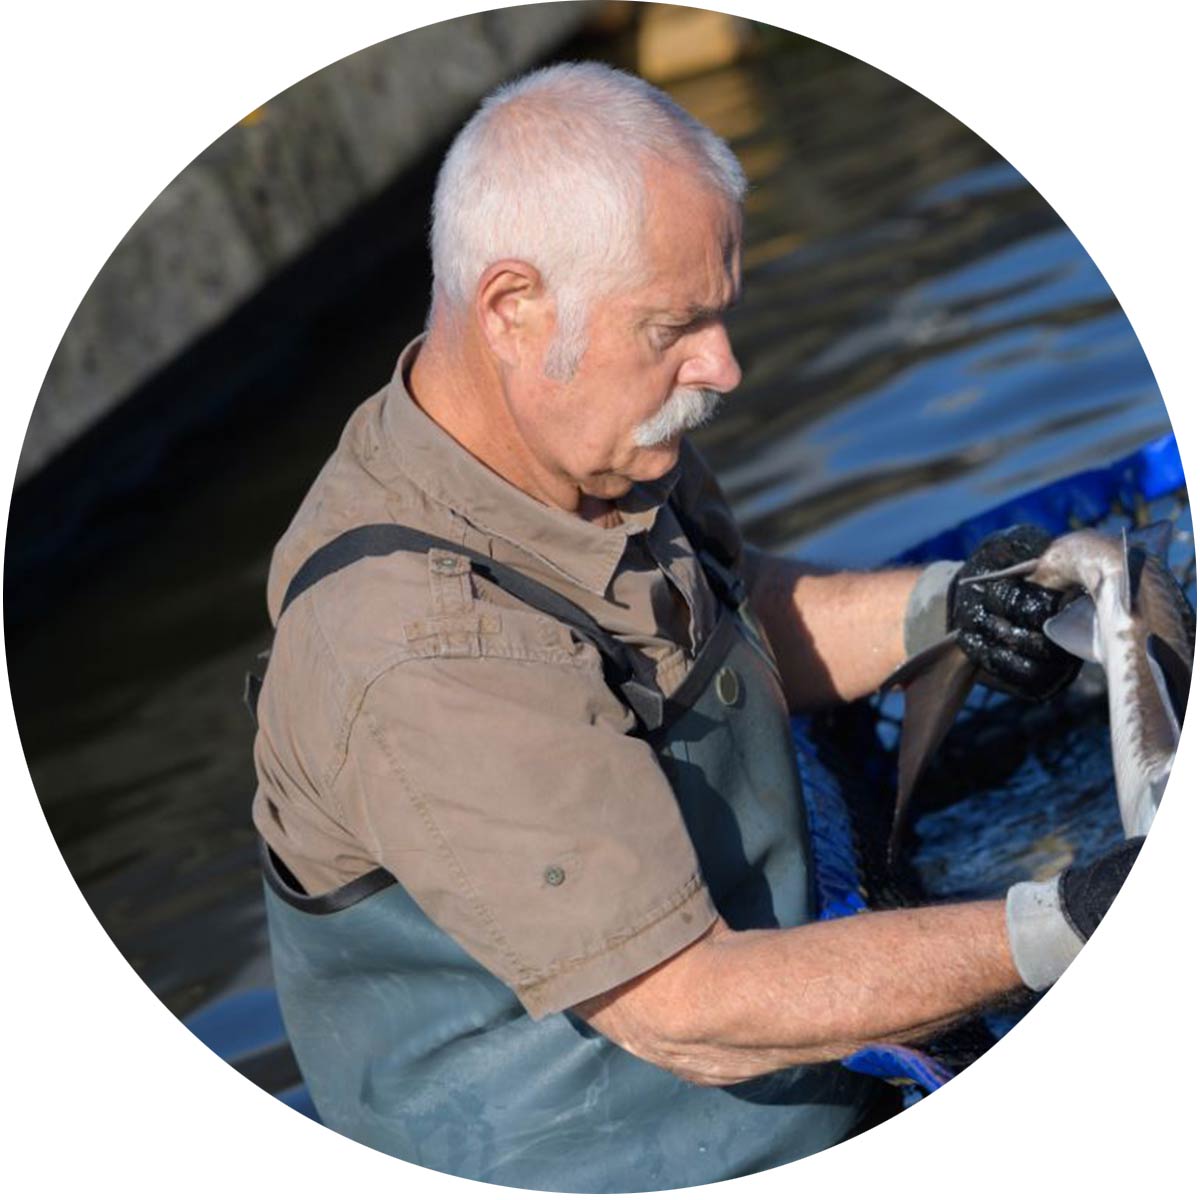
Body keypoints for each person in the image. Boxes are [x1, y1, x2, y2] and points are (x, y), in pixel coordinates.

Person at [250, 62, 1141, 1190]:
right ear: (515, 309)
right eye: (676, 325)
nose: (722, 366)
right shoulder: (423, 652)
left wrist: (942, 606)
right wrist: (1074, 919)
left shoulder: (588, 430)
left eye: (720, 312)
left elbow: (733, 602)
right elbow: (691, 1011)